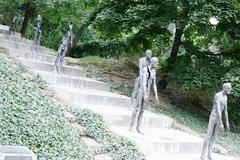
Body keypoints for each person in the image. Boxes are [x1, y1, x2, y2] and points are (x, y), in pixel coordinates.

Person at [201, 83, 232, 160]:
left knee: (214, 137)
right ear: (225, 88)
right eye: (229, 88)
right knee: (208, 135)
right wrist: (221, 123)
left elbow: (225, 111)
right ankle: (203, 155)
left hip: (219, 118)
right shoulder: (217, 96)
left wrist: (227, 122)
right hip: (214, 116)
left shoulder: (226, 98)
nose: (230, 90)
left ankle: (209, 154)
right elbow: (218, 110)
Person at [129, 57, 159, 134]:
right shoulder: (145, 69)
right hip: (142, 90)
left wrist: (156, 95)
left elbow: (154, 83)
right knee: (137, 108)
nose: (157, 64)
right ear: (152, 62)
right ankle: (131, 127)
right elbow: (143, 82)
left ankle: (138, 128)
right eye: (156, 62)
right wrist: (145, 94)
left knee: (142, 110)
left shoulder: (153, 71)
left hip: (147, 92)